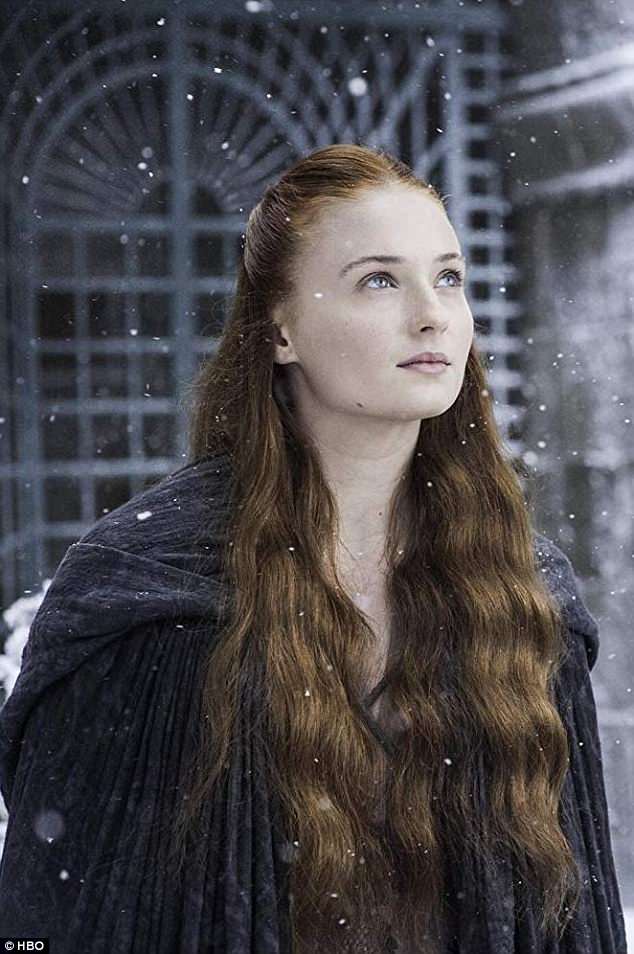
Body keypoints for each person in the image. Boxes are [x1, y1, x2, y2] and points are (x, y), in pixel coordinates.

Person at [0, 143, 627, 954]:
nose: (432, 315)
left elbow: (577, 914)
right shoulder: (153, 591)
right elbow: (58, 914)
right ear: (281, 329)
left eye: (448, 278)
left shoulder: (523, 591)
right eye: (378, 281)